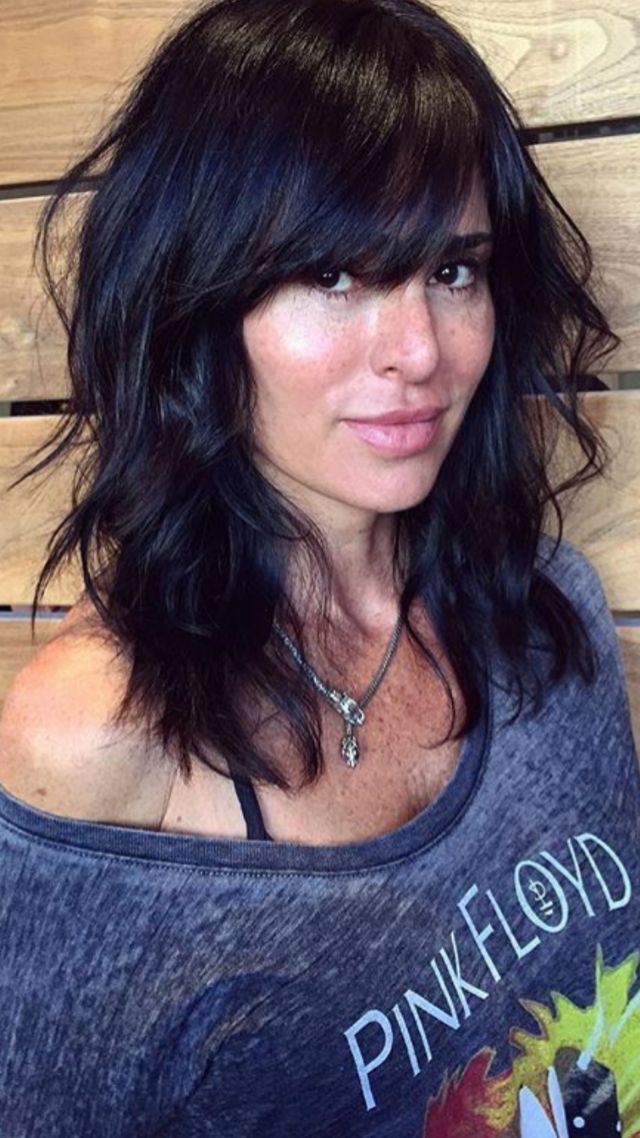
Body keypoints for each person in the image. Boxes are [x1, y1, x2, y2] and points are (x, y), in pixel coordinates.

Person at [0, 0, 638, 1133]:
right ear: (198, 303)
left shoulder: (551, 614)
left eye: (454, 269)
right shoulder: (99, 737)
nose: (420, 351)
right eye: (335, 275)